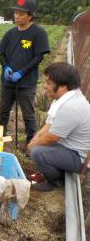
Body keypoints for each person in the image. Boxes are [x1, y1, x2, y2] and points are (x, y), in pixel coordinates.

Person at [0, 0, 50, 147]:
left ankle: (30, 142)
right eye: (15, 13)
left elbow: (38, 57)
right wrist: (6, 67)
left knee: (28, 114)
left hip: (26, 83)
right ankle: (0, 136)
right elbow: (1, 54)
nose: (17, 16)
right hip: (7, 81)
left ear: (31, 15)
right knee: (4, 110)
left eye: (21, 13)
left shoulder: (38, 33)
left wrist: (21, 72)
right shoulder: (10, 33)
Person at [28, 63, 90, 191]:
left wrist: (33, 145)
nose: (45, 86)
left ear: (62, 86)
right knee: (37, 144)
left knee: (37, 152)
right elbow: (49, 124)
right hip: (69, 147)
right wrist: (35, 139)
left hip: (80, 159)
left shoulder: (71, 107)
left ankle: (56, 181)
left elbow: (52, 137)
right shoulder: (63, 99)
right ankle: (51, 172)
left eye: (49, 83)